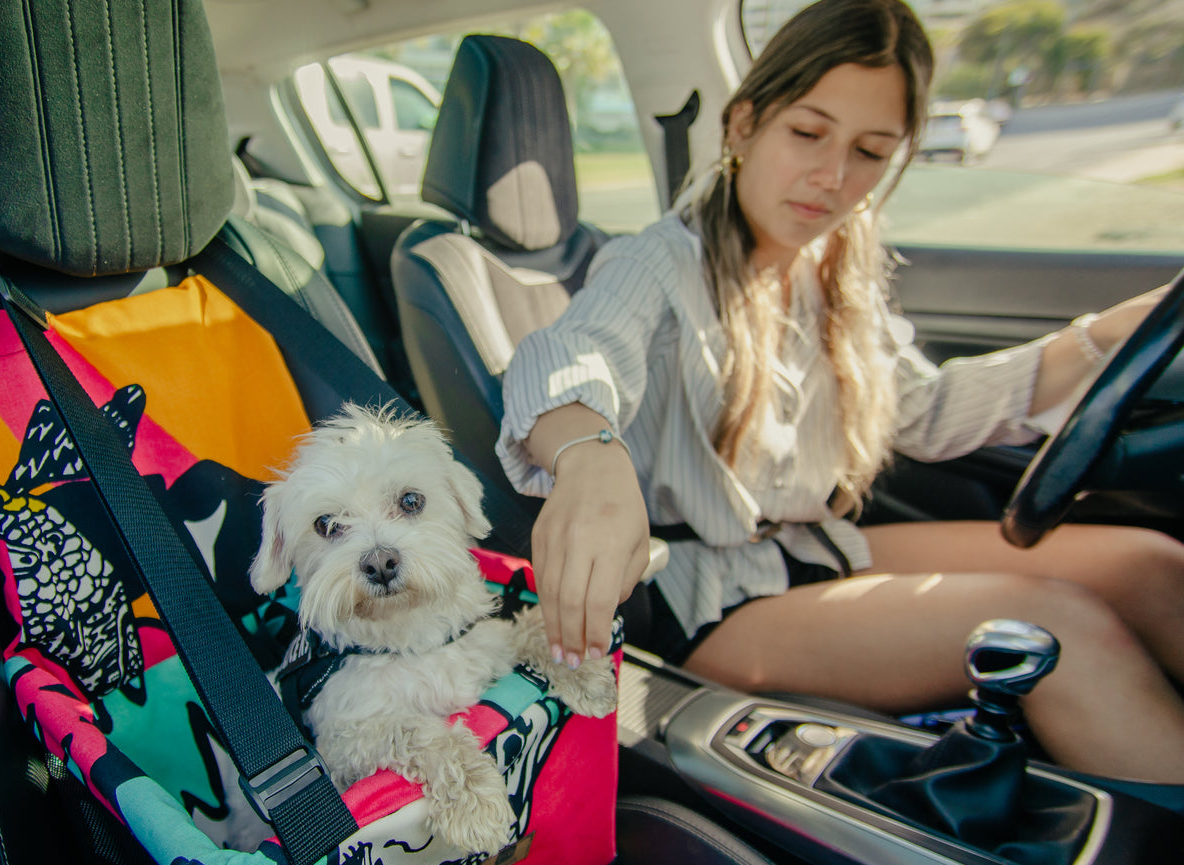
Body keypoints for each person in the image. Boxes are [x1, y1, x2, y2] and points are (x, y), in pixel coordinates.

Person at [496, 0, 1184, 783]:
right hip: (703, 598)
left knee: (1148, 565)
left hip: (807, 546)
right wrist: (590, 462)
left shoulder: (827, 266)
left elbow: (918, 414)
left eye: (868, 151)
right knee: (1054, 630)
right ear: (743, 123)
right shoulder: (658, 261)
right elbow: (565, 353)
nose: (832, 178)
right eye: (807, 133)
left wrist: (1098, 339)